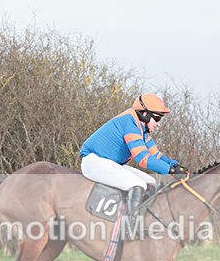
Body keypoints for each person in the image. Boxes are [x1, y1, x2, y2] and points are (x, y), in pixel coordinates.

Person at [79, 93, 188, 224]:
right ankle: (130, 227)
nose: (158, 124)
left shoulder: (141, 129)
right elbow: (143, 158)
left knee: (151, 182)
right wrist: (170, 170)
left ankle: (145, 220)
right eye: (157, 118)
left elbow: (156, 155)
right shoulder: (130, 122)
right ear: (145, 114)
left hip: (107, 163)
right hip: (94, 162)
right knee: (138, 184)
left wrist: (174, 165)